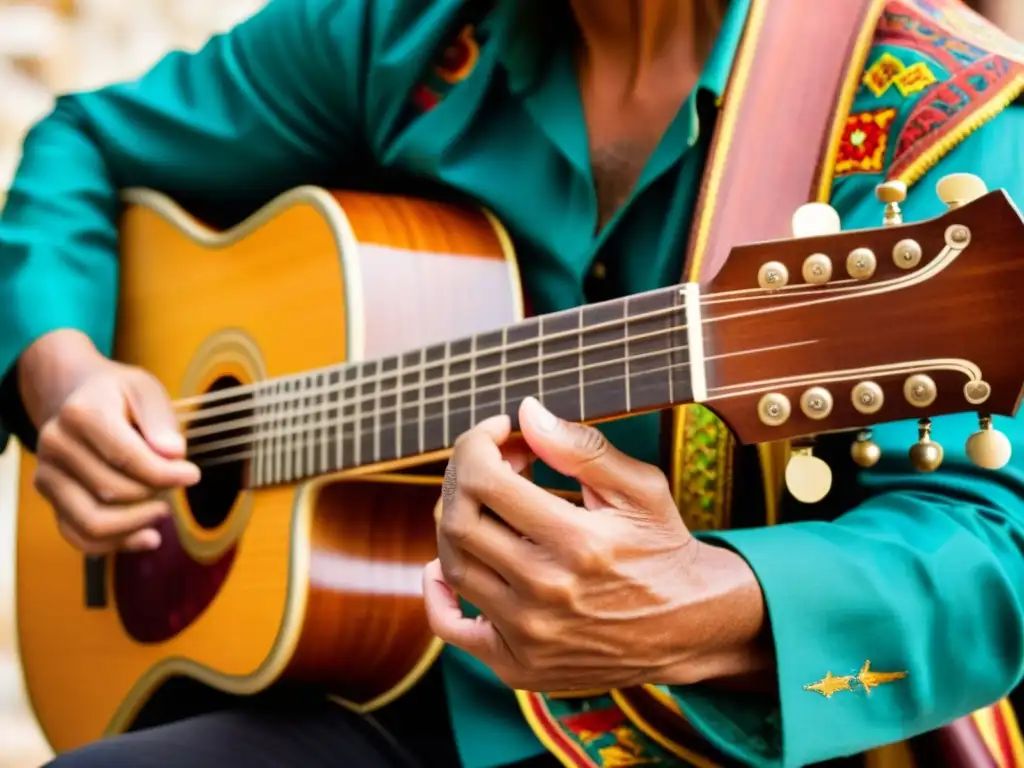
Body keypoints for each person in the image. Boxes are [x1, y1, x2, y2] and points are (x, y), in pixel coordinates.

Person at [1, 0, 1022, 766]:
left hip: (716, 736)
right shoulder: (408, 32)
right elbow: (85, 143)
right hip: (392, 679)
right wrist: (62, 364)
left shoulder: (936, 114)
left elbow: (994, 549)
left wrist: (716, 602)